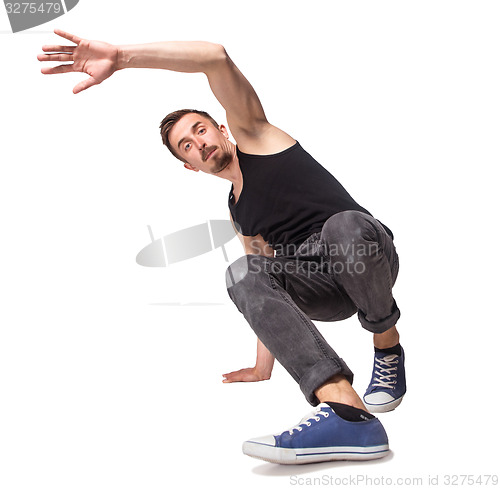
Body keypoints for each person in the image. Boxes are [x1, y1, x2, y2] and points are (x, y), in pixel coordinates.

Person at [38, 29, 406, 465]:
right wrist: (263, 365)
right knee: (241, 271)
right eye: (187, 146)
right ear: (190, 166)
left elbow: (214, 57)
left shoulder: (258, 137)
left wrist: (120, 57)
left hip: (365, 253)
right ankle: (347, 413)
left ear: (223, 127)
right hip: (322, 288)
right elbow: (267, 291)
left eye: (201, 130)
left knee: (343, 226)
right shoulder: (238, 212)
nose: (200, 143)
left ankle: (386, 346)